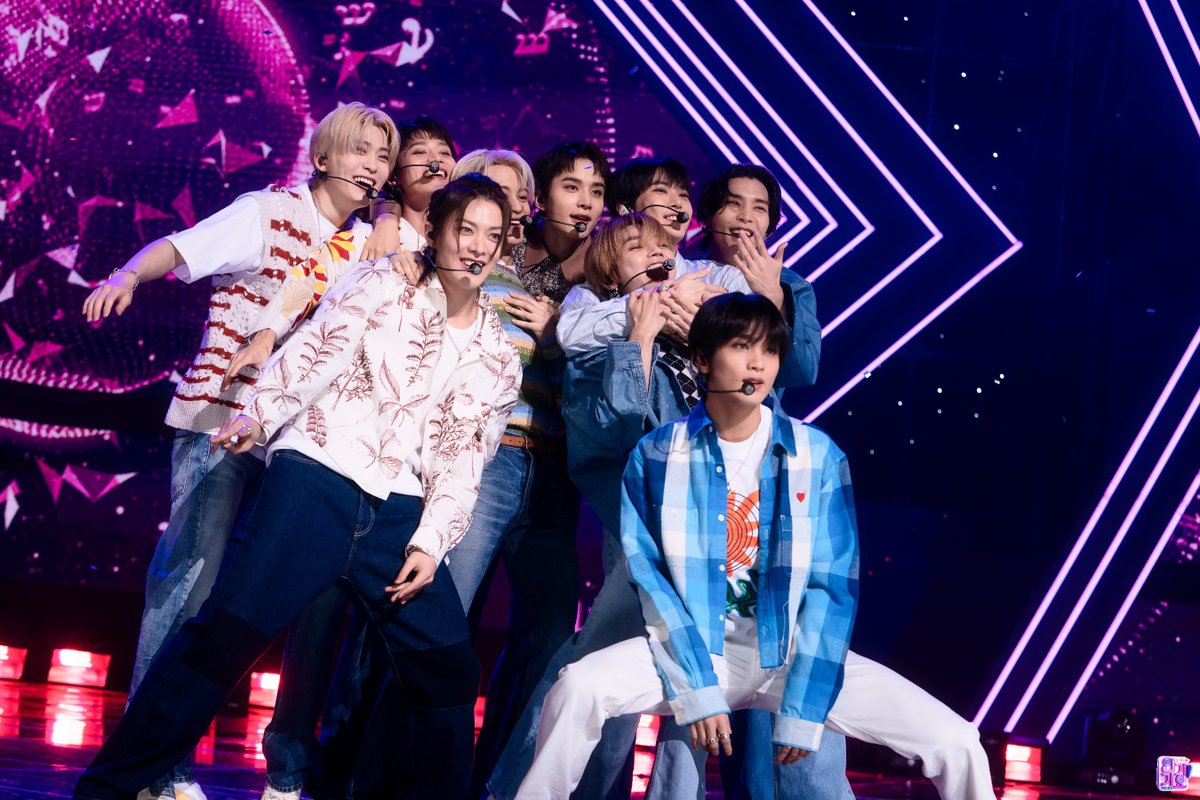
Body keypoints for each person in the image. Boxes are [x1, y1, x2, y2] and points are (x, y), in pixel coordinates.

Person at [73, 174, 522, 800]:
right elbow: (316, 349)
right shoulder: (383, 283)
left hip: (399, 515)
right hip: (316, 478)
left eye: (491, 237)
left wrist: (433, 541)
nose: (476, 246)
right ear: (436, 231)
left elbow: (465, 457)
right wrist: (258, 414)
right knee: (225, 638)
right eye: (464, 229)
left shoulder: (499, 356)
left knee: (448, 670)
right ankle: (107, 789)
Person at [79, 102, 398, 800]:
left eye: (382, 155)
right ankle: (149, 769)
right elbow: (181, 247)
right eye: (360, 150)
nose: (373, 165)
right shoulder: (268, 212)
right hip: (220, 419)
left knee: (243, 604)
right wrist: (127, 275)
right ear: (323, 157)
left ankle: (189, 761)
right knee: (188, 583)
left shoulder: (367, 248)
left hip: (292, 445)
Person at [487, 213, 822, 800]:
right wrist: (637, 339)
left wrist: (741, 317)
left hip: (730, 535)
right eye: (637, 248)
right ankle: (514, 789)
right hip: (654, 540)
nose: (657, 255)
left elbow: (770, 396)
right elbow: (614, 434)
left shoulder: (701, 341)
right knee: (589, 673)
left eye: (665, 247)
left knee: (704, 685)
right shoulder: (596, 347)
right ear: (609, 276)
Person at [510, 140, 610, 303]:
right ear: (541, 199)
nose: (586, 202)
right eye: (572, 187)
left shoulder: (608, 266)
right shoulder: (512, 243)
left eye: (596, 192)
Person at [360, 115, 458, 258]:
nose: (436, 159)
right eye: (420, 152)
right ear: (393, 175)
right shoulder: (366, 237)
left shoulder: (465, 240)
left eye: (444, 153)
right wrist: (386, 219)